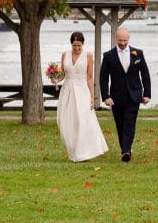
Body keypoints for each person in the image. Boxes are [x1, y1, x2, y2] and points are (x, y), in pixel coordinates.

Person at [99, 27, 151, 162]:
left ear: (129, 39)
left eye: (125, 40)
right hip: (116, 96)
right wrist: (106, 96)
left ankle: (126, 151)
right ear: (116, 39)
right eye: (120, 40)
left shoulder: (138, 53)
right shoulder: (108, 56)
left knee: (129, 122)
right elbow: (103, 78)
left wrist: (147, 94)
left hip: (134, 95)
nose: (122, 43)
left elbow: (145, 75)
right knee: (120, 124)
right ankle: (125, 149)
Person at [57, 31, 108, 162]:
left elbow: (90, 77)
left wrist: (92, 97)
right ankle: (73, 150)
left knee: (83, 120)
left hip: (82, 91)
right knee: (67, 121)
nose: (77, 48)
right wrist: (55, 79)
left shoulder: (88, 56)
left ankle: (84, 152)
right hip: (67, 90)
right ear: (71, 44)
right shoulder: (65, 55)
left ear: (83, 44)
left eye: (79, 45)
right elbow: (62, 74)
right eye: (74, 46)